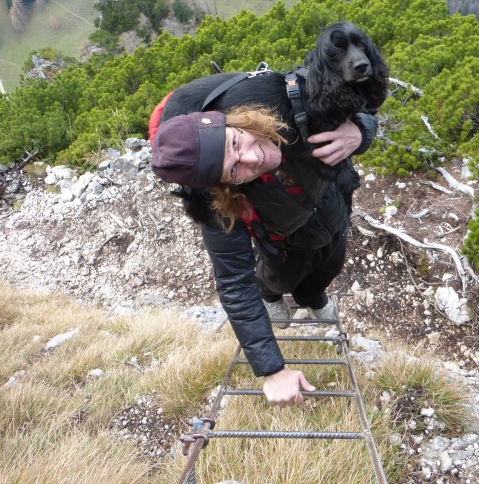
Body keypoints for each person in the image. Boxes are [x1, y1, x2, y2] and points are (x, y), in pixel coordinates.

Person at [150, 102, 378, 408]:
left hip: (331, 214)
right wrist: (272, 369)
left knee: (332, 263)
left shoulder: (288, 104)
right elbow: (234, 281)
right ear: (222, 185)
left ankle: (312, 299)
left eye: (234, 142)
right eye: (233, 170)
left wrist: (359, 132)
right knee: (280, 278)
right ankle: (272, 296)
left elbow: (359, 101)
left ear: (232, 122)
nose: (252, 156)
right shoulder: (217, 203)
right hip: (280, 240)